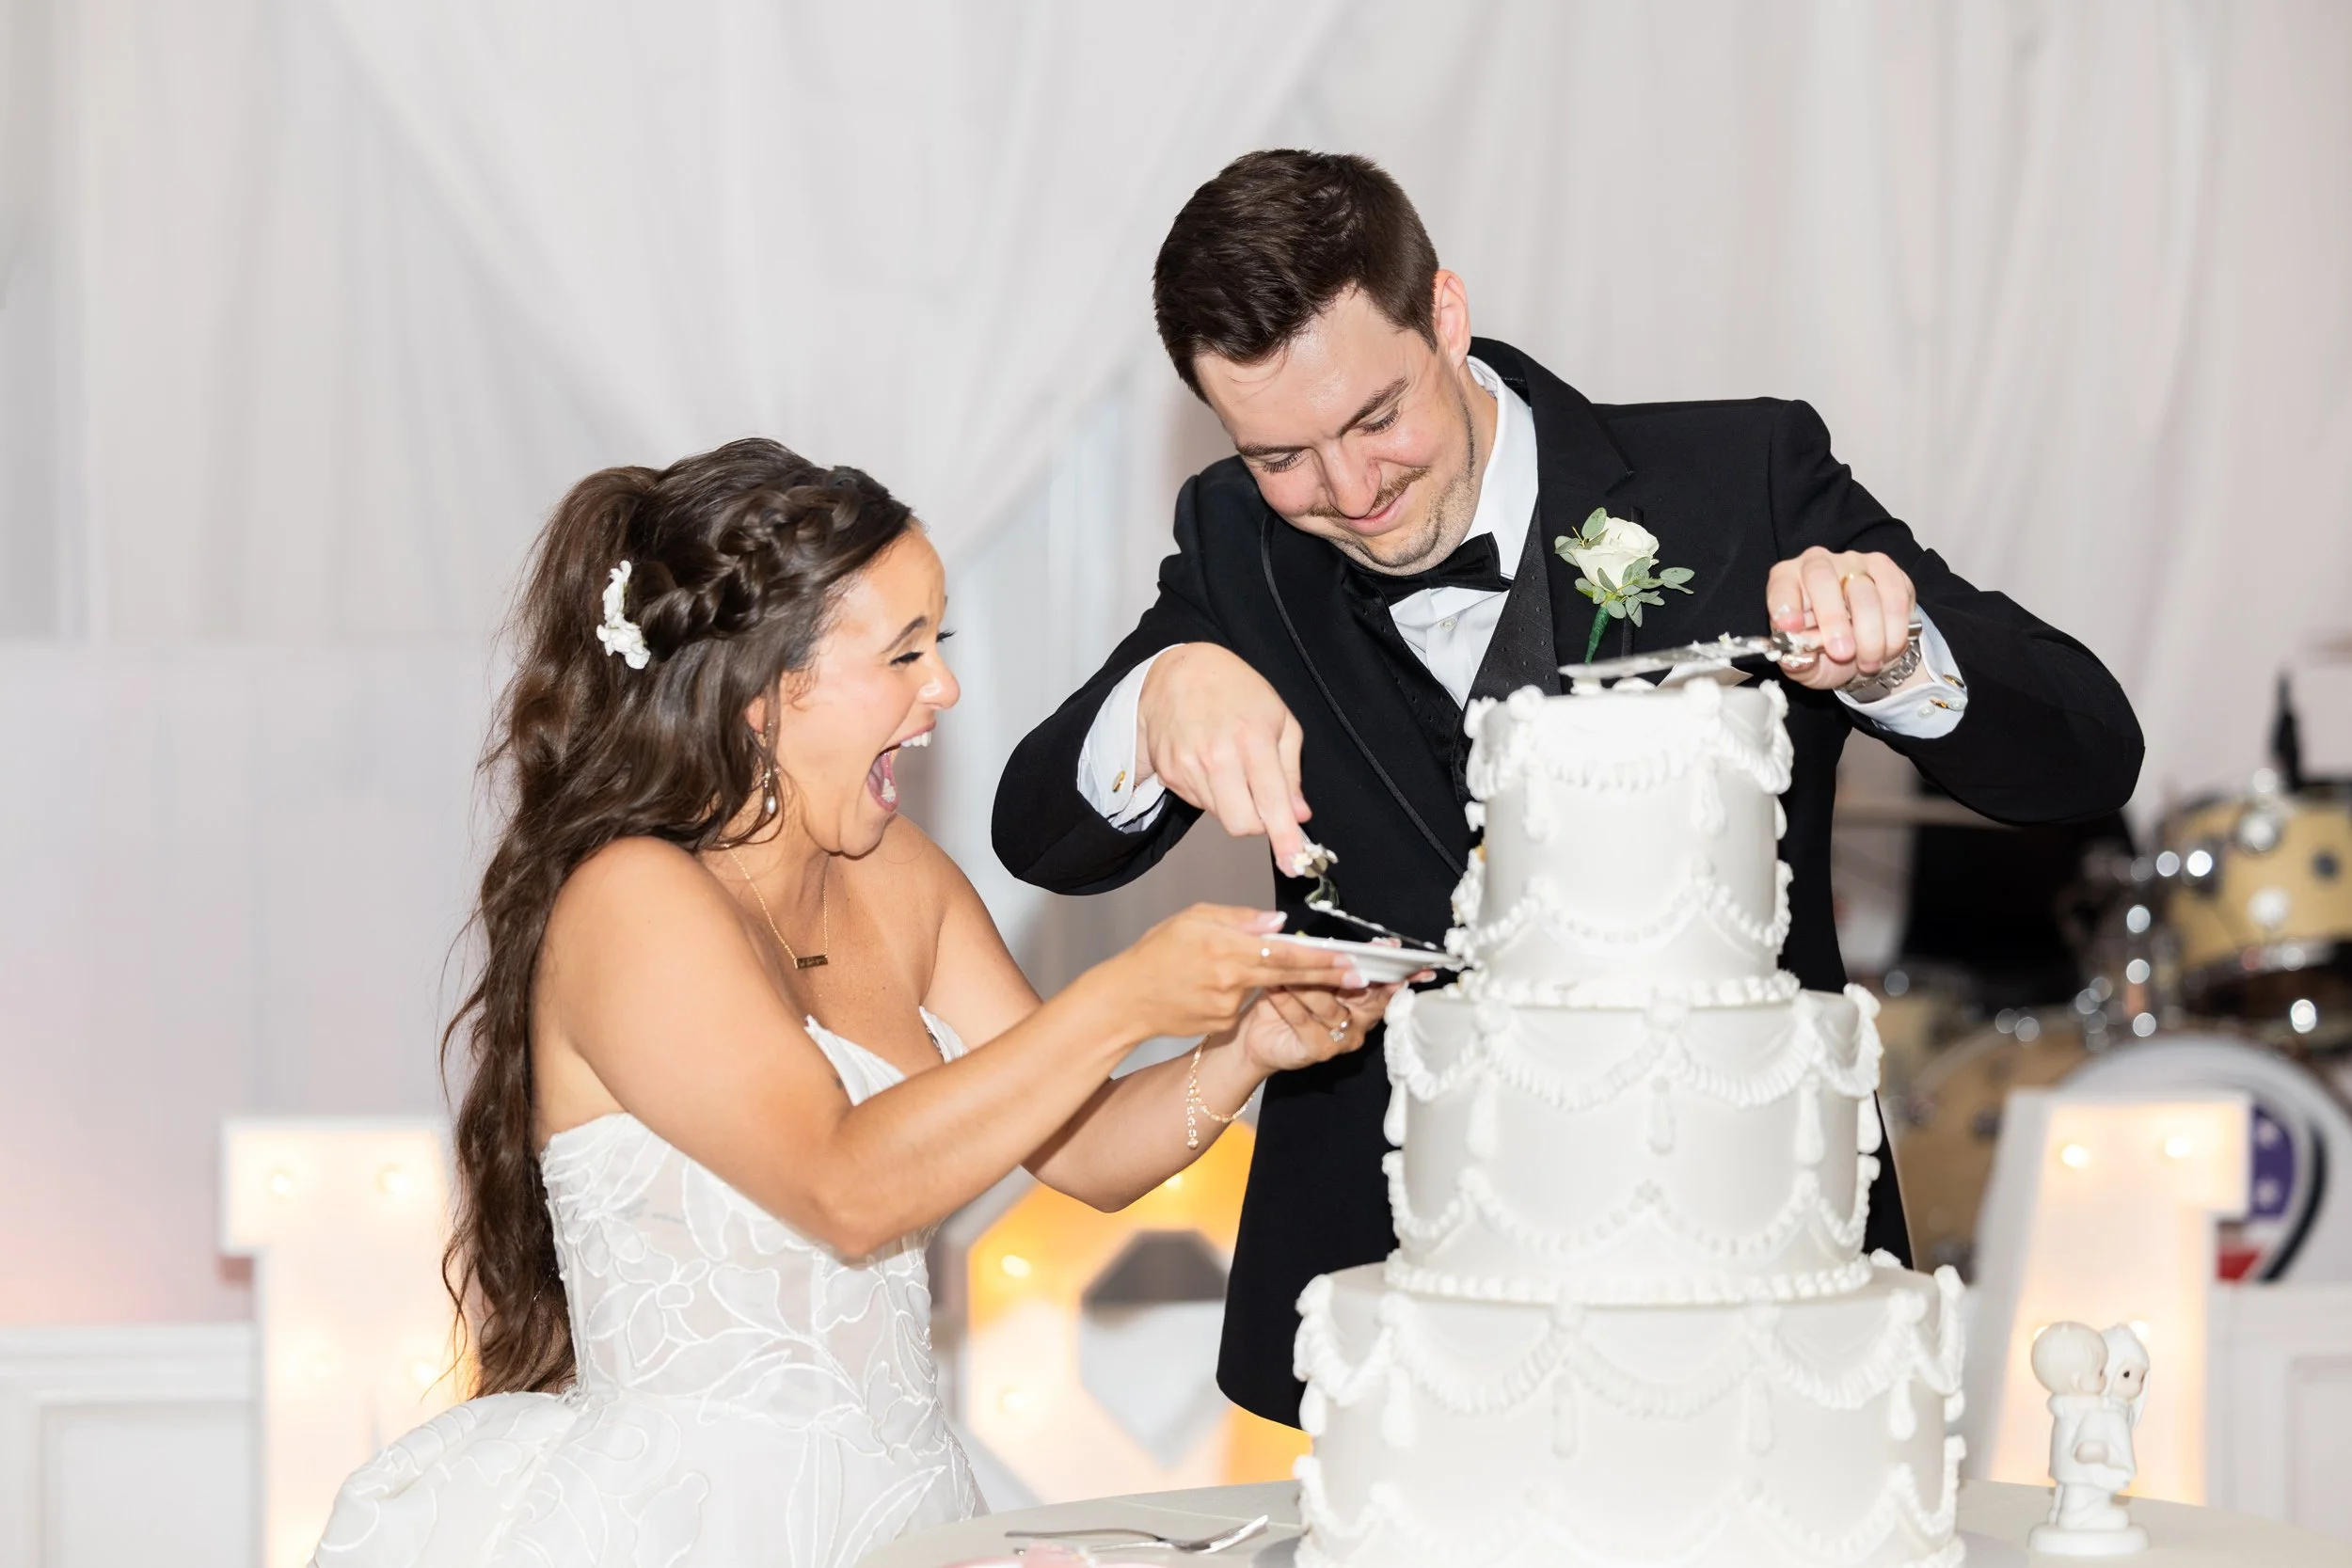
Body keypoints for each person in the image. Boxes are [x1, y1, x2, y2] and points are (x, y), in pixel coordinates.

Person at [993, 150, 2143, 1428]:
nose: (1352, 493)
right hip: (1394, 1318)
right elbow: (1038, 835)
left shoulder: (1739, 478)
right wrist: (1152, 705)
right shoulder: (1236, 546)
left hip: (1745, 1292)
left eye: (1377, 419)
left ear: (1444, 314)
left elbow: (2087, 747)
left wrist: (1898, 648)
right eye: (1284, 456)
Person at [310, 439, 1400, 1567]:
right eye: (903, 653)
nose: (944, 688)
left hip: (912, 1515)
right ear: (765, 696)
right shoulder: (630, 901)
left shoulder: (897, 875)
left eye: (941, 644)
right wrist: (1125, 995)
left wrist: (1242, 1050)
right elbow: (845, 1186)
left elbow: (1085, 1150)